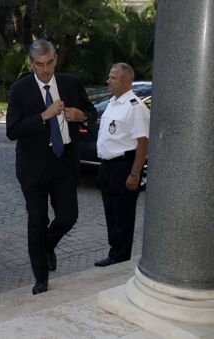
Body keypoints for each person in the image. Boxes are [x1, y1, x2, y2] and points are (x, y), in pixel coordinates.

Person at [5, 39, 97, 295]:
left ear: (55, 59)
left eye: (49, 63)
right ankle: (41, 278)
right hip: (33, 167)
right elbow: (12, 130)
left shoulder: (70, 83)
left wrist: (82, 116)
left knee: (68, 217)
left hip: (64, 162)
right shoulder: (19, 90)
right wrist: (44, 116)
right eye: (39, 65)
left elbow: (91, 111)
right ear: (31, 63)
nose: (44, 70)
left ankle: (46, 246)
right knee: (37, 221)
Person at [94, 63, 149, 267]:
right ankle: (114, 253)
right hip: (107, 166)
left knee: (123, 215)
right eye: (109, 77)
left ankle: (121, 258)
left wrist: (135, 174)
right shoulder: (113, 102)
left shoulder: (135, 107)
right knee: (111, 213)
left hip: (123, 166)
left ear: (127, 81)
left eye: (113, 78)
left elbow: (143, 143)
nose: (108, 81)